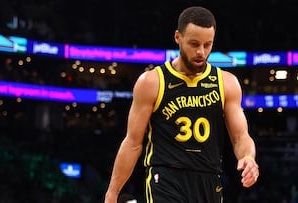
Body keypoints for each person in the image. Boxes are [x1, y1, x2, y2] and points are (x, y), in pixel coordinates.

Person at [104, 6, 259, 203]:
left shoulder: (226, 83)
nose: (201, 52)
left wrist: (248, 157)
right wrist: (112, 192)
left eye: (207, 45)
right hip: (166, 178)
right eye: (194, 44)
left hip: (208, 180)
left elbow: (240, 137)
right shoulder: (152, 82)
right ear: (178, 37)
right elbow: (133, 143)